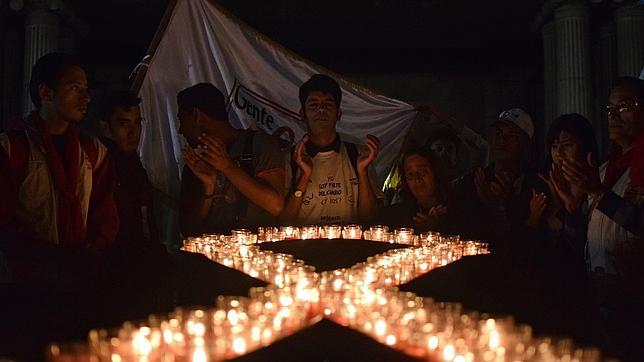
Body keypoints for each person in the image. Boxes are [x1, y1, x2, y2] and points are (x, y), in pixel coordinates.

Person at [0, 53, 118, 282]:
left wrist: (91, 251)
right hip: (24, 281)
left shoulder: (93, 151)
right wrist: (49, 257)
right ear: (46, 92)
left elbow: (105, 214)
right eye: (75, 88)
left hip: (81, 276)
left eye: (86, 88)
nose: (86, 97)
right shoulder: (12, 149)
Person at [553, 76, 644, 361]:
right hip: (599, 297)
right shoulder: (604, 170)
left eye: (625, 106)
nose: (614, 115)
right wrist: (571, 210)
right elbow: (583, 242)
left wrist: (599, 193)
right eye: (609, 108)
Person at [178, 83, 287, 235]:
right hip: (210, 254)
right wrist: (208, 187)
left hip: (256, 253)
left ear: (197, 115)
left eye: (182, 119)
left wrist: (227, 167)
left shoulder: (259, 145)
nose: (181, 129)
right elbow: (188, 228)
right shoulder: (196, 162)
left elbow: (275, 205)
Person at [280, 74, 382, 225]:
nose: (321, 110)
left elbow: (370, 220)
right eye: (314, 105)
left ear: (338, 113)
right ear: (302, 114)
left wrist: (362, 172)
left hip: (349, 246)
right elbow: (283, 221)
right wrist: (304, 176)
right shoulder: (290, 158)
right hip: (303, 247)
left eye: (328, 104)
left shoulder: (359, 155)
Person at [451, 108, 543, 252]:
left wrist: (508, 205)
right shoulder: (474, 180)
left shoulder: (537, 185)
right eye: (499, 134)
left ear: (526, 144)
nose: (502, 140)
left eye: (512, 136)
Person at [99, 91, 159, 249]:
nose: (133, 132)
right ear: (105, 127)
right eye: (124, 124)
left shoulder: (133, 163)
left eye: (137, 123)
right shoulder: (99, 166)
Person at [379, 147, 454, 233]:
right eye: (411, 174)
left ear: (435, 172)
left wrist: (437, 229)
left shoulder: (458, 210)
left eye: (423, 171)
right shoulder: (396, 215)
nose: (417, 179)